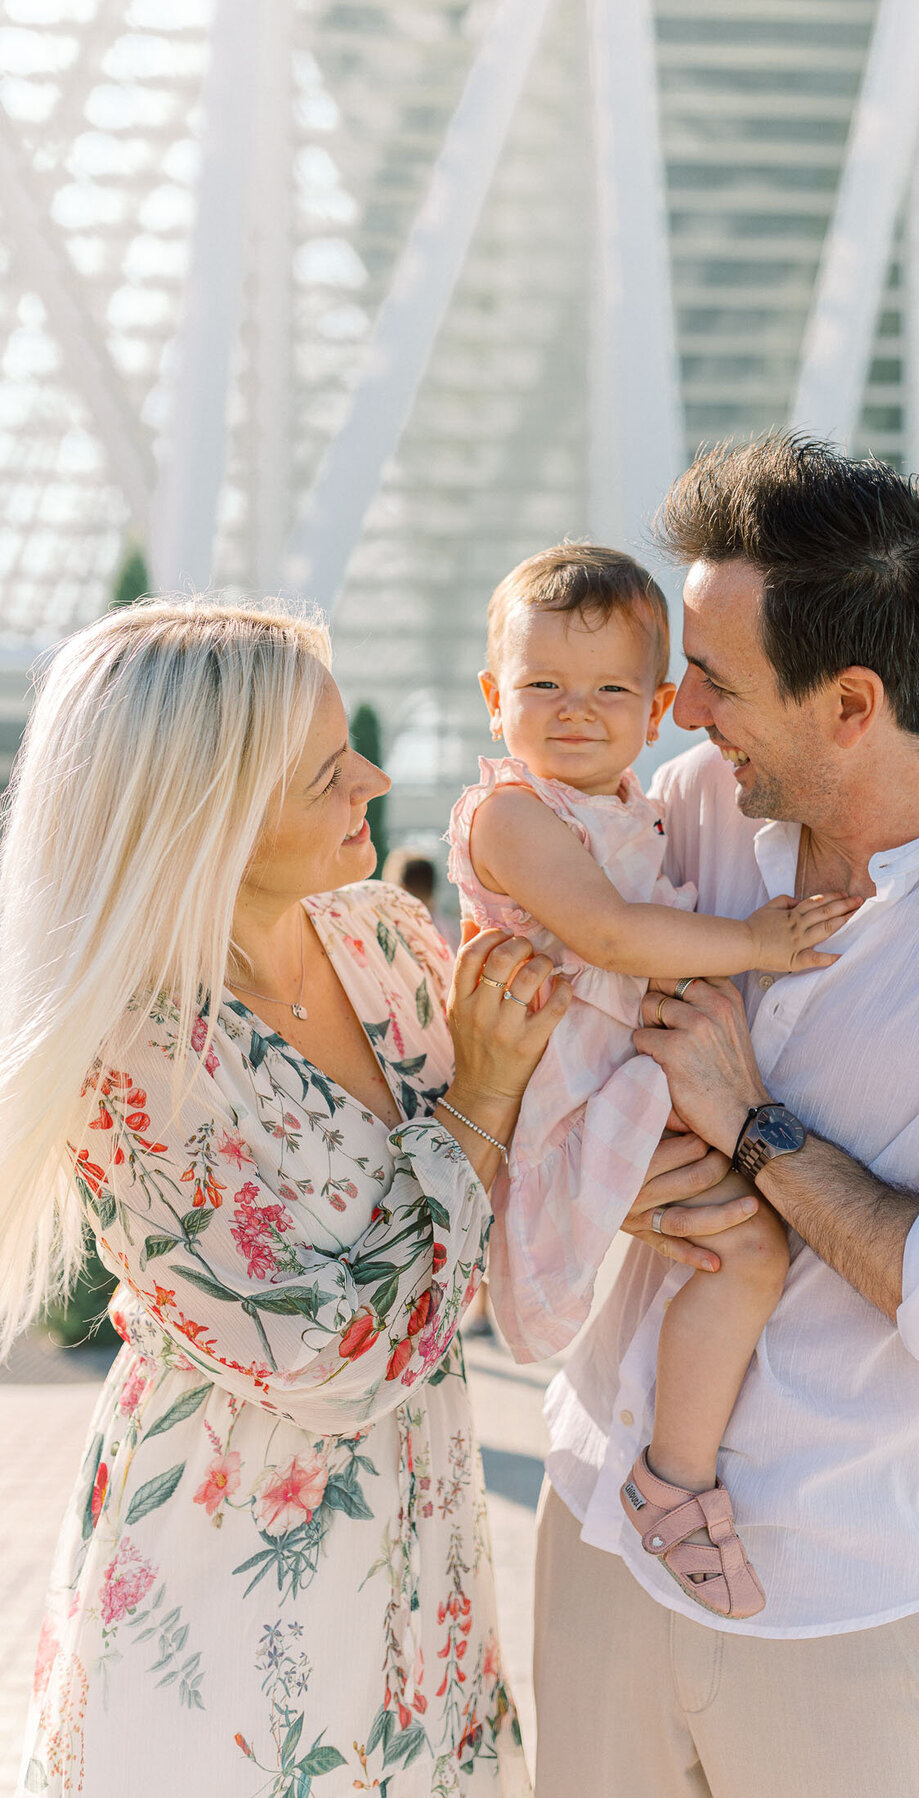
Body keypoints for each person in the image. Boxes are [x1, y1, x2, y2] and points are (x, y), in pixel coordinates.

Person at [520, 436, 919, 1798]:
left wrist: (758, 1128)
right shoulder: (679, 814)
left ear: (854, 702)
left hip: (845, 1612)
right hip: (594, 1539)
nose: (681, 706)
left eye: (717, 678)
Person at [0, 599, 569, 1797]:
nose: (368, 772)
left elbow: (513, 1203)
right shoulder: (129, 1058)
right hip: (230, 1588)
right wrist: (485, 1094)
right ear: (206, 809)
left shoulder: (385, 937)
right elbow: (336, 1360)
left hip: (427, 1562)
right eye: (325, 769)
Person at [446, 544, 860, 1620]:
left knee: (749, 1248)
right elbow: (610, 932)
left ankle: (671, 1475)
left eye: (609, 690)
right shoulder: (510, 814)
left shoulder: (636, 805)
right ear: (496, 699)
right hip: (571, 1096)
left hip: (628, 1086)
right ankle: (675, 1484)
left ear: (659, 707)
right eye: (542, 686)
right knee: (741, 1241)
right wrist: (754, 944)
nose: (574, 712)